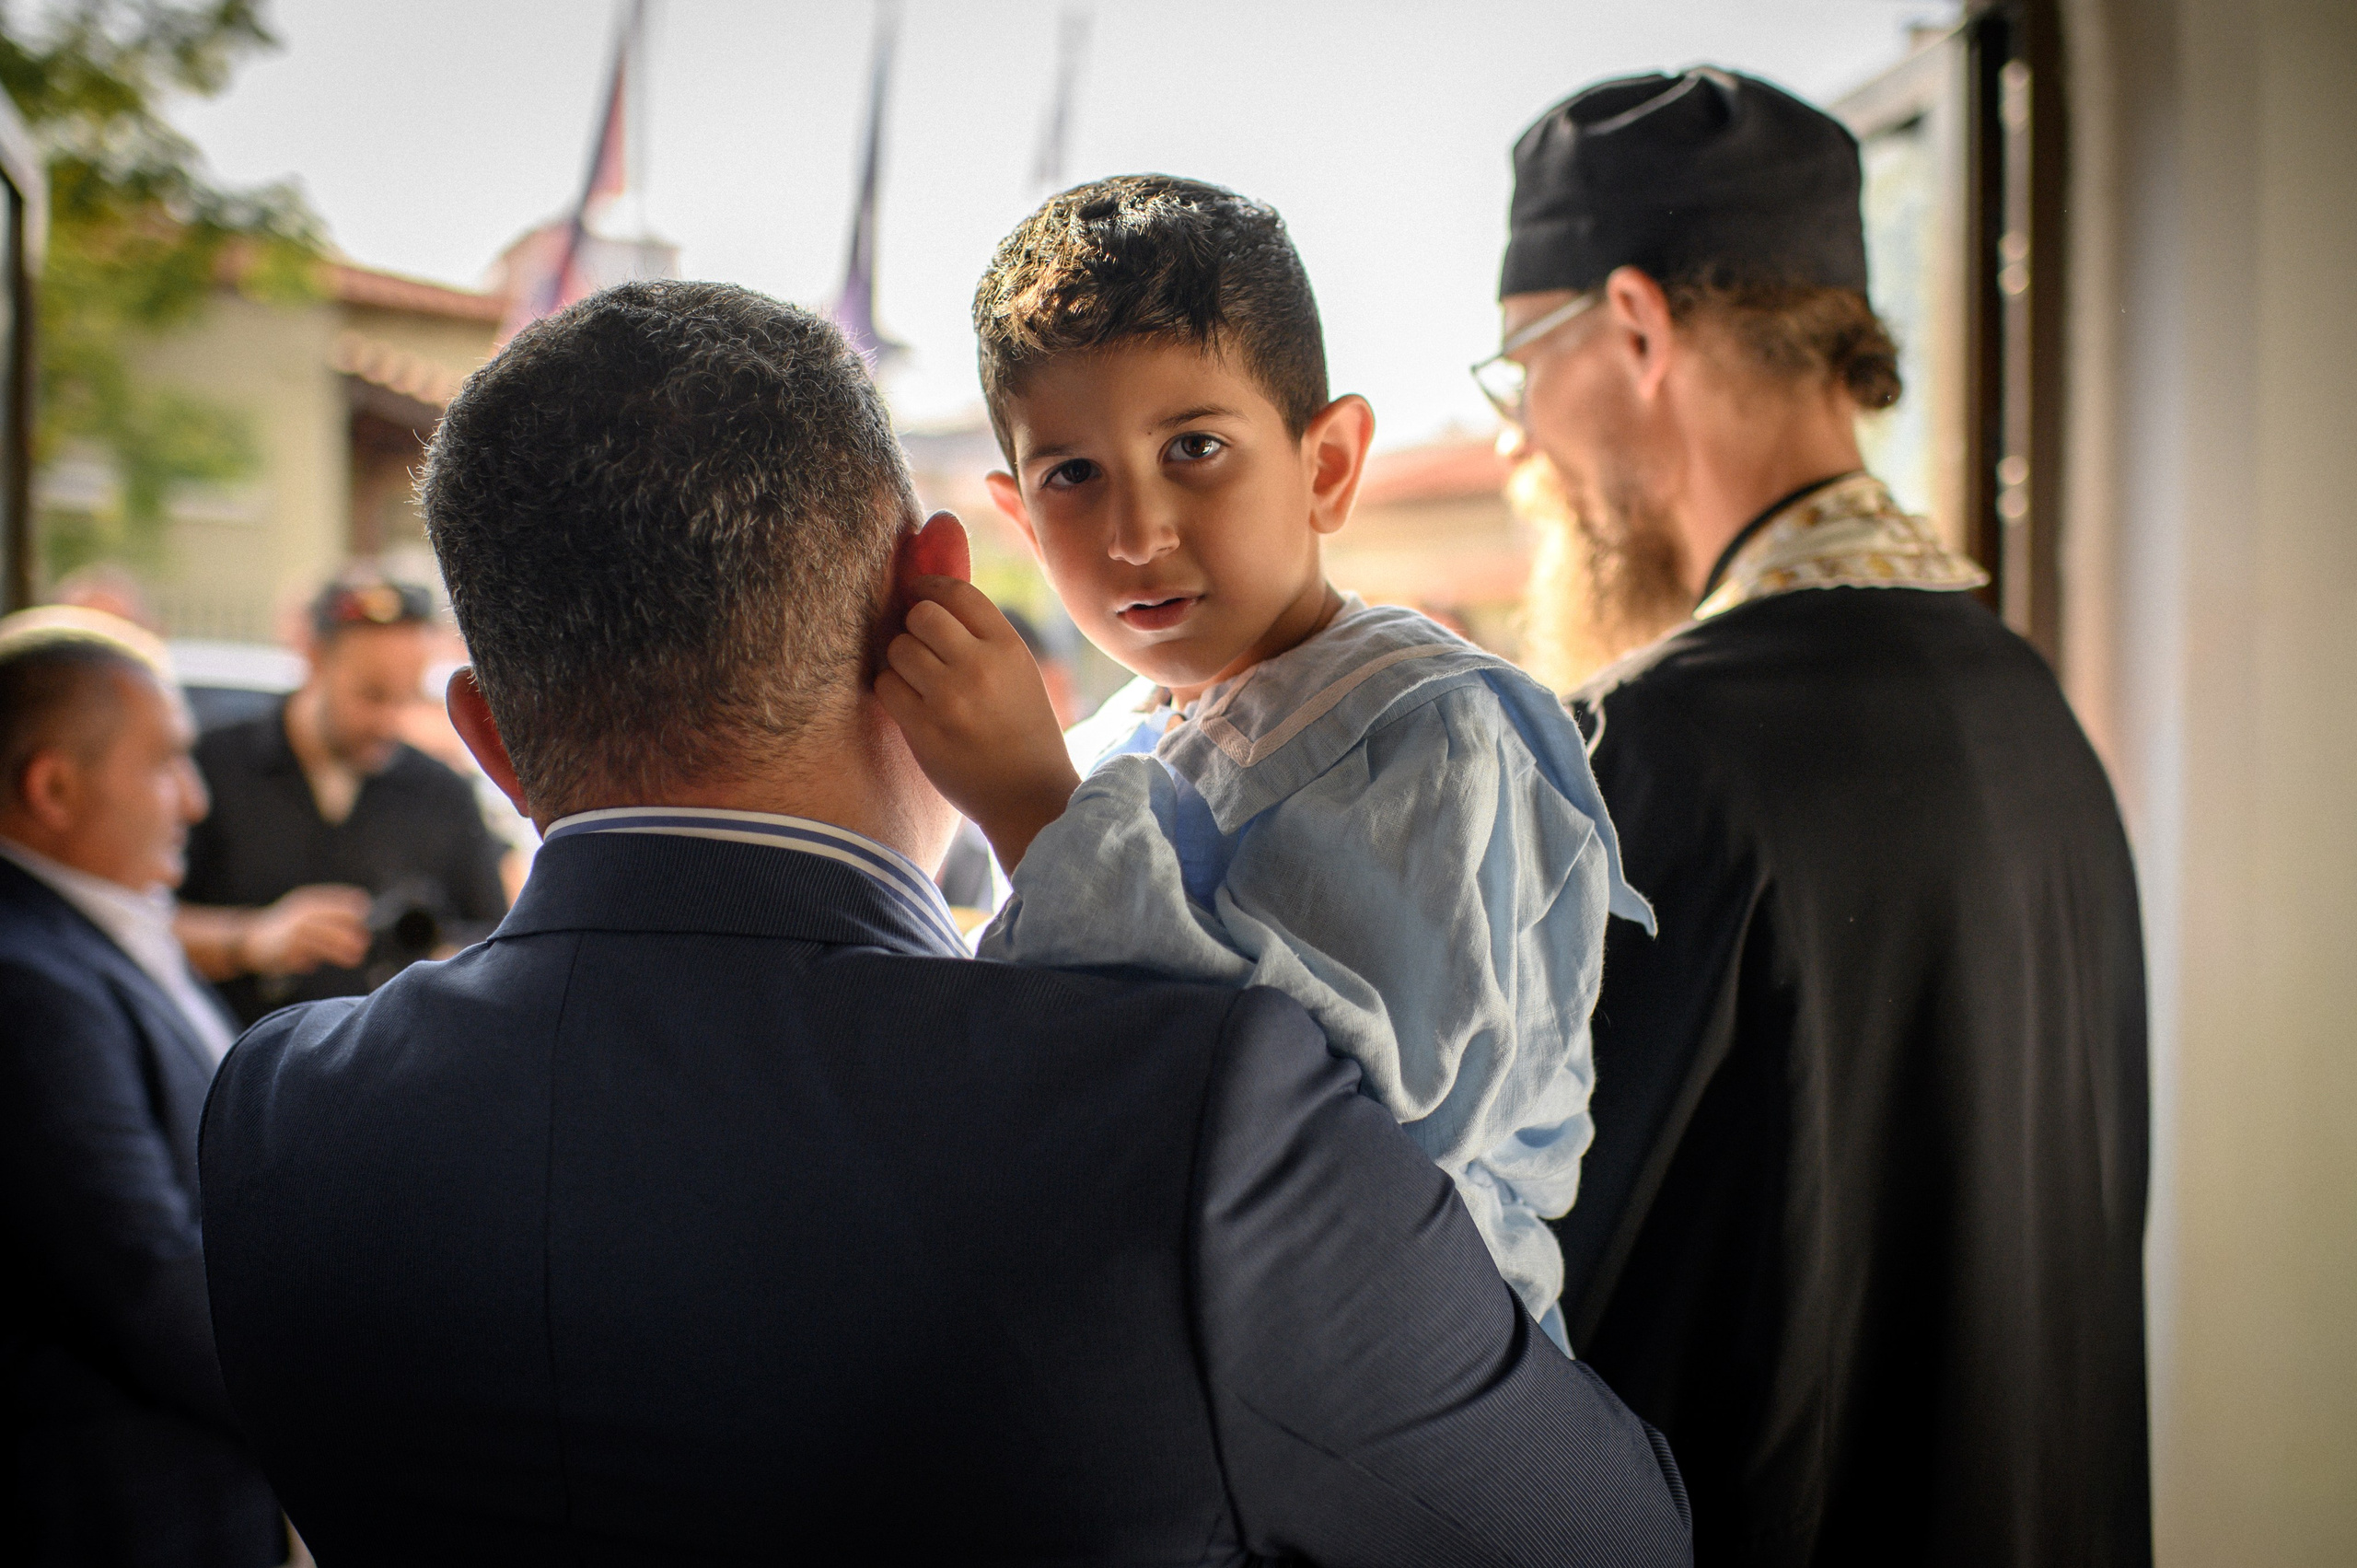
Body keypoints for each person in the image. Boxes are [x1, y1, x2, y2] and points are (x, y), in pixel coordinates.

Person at [196, 281, 1694, 1565]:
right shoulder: (1190, 1112)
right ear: (938, 595)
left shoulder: (279, 1120)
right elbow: (1606, 1535)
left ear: (489, 738)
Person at [1483, 69, 2151, 1563]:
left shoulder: (1653, 745)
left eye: (1522, 361)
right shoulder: (2029, 707)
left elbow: (1530, 1332)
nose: (1522, 438)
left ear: (1636, 324)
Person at [877, 176, 1651, 1351]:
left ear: (1327, 463)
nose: (1136, 533)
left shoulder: (1433, 729)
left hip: (1402, 1384)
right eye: (1071, 475)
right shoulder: (1116, 744)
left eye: (1194, 446)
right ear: (1018, 518)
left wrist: (1034, 812)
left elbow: (1324, 1138)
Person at [0, 619, 284, 1566]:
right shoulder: (27, 978)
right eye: (166, 763)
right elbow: (142, 1276)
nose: (196, 800)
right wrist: (346, 1405)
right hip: (124, 1512)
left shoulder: (90, 928)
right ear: (51, 785)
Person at [175, 574, 509, 1025]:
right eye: (371, 694)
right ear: (314, 658)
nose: (390, 722)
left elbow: (495, 941)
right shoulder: (212, 767)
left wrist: (446, 960)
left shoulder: (443, 791)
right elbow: (137, 924)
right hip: (240, 1064)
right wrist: (251, 939)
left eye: (407, 696)